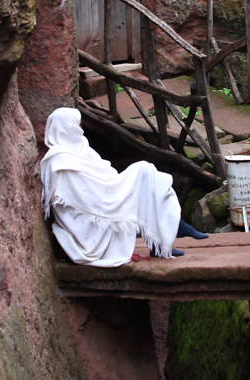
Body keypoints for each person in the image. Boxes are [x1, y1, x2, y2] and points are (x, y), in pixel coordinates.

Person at [39, 108, 206, 267]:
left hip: (105, 193)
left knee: (145, 171)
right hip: (92, 217)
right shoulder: (58, 161)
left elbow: (105, 171)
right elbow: (81, 197)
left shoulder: (81, 148)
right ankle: (176, 228)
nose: (81, 129)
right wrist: (115, 190)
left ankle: (163, 239)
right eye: (78, 125)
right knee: (142, 171)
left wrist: (117, 185)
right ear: (66, 128)